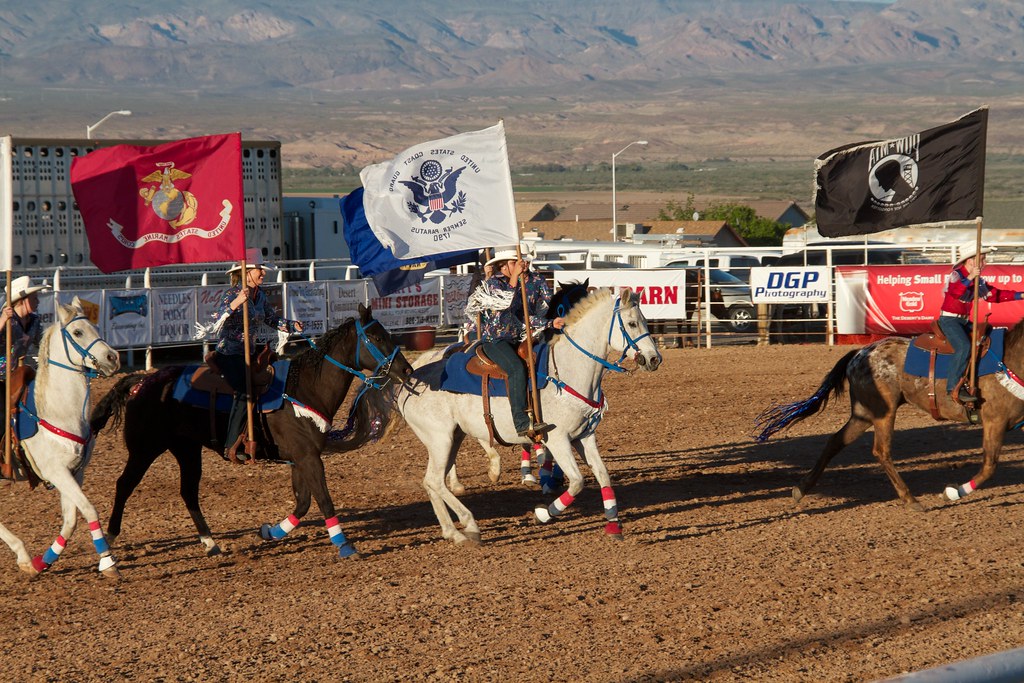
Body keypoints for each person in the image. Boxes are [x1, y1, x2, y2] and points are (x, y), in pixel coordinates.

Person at [465, 245, 565, 437]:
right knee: (516, 368)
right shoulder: (494, 283)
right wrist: (514, 278)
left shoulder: (521, 283)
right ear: (503, 266)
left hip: (515, 336)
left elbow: (524, 318)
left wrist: (551, 322)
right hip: (494, 339)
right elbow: (504, 303)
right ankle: (520, 422)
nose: (519, 264)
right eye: (513, 262)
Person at [213, 248, 303, 459]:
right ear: (246, 272)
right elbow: (217, 317)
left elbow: (272, 319)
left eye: (262, 270)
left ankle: (261, 436)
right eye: (259, 270)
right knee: (245, 391)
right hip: (228, 353)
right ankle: (230, 445)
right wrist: (236, 303)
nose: (263, 273)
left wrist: (292, 325)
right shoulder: (232, 293)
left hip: (249, 353)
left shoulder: (260, 296)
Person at [937, 241, 1024, 403]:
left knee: (988, 336)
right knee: (964, 346)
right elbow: (956, 292)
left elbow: (995, 295)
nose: (985, 263)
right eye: (982, 259)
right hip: (949, 320)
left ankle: (985, 375)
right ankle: (952, 386)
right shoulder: (957, 274)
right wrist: (970, 277)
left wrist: (1021, 295)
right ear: (971, 260)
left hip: (964, 321)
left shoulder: (978, 280)